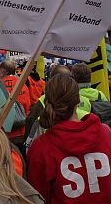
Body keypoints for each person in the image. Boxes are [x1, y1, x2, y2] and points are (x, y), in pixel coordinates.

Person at [27, 74, 111, 203]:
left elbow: (38, 197)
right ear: (78, 101)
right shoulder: (106, 134)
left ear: (46, 101)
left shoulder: (41, 148)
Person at [0, 60, 31, 147]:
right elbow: (27, 106)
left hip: (3, 134)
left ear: (2, 72)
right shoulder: (22, 84)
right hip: (20, 132)